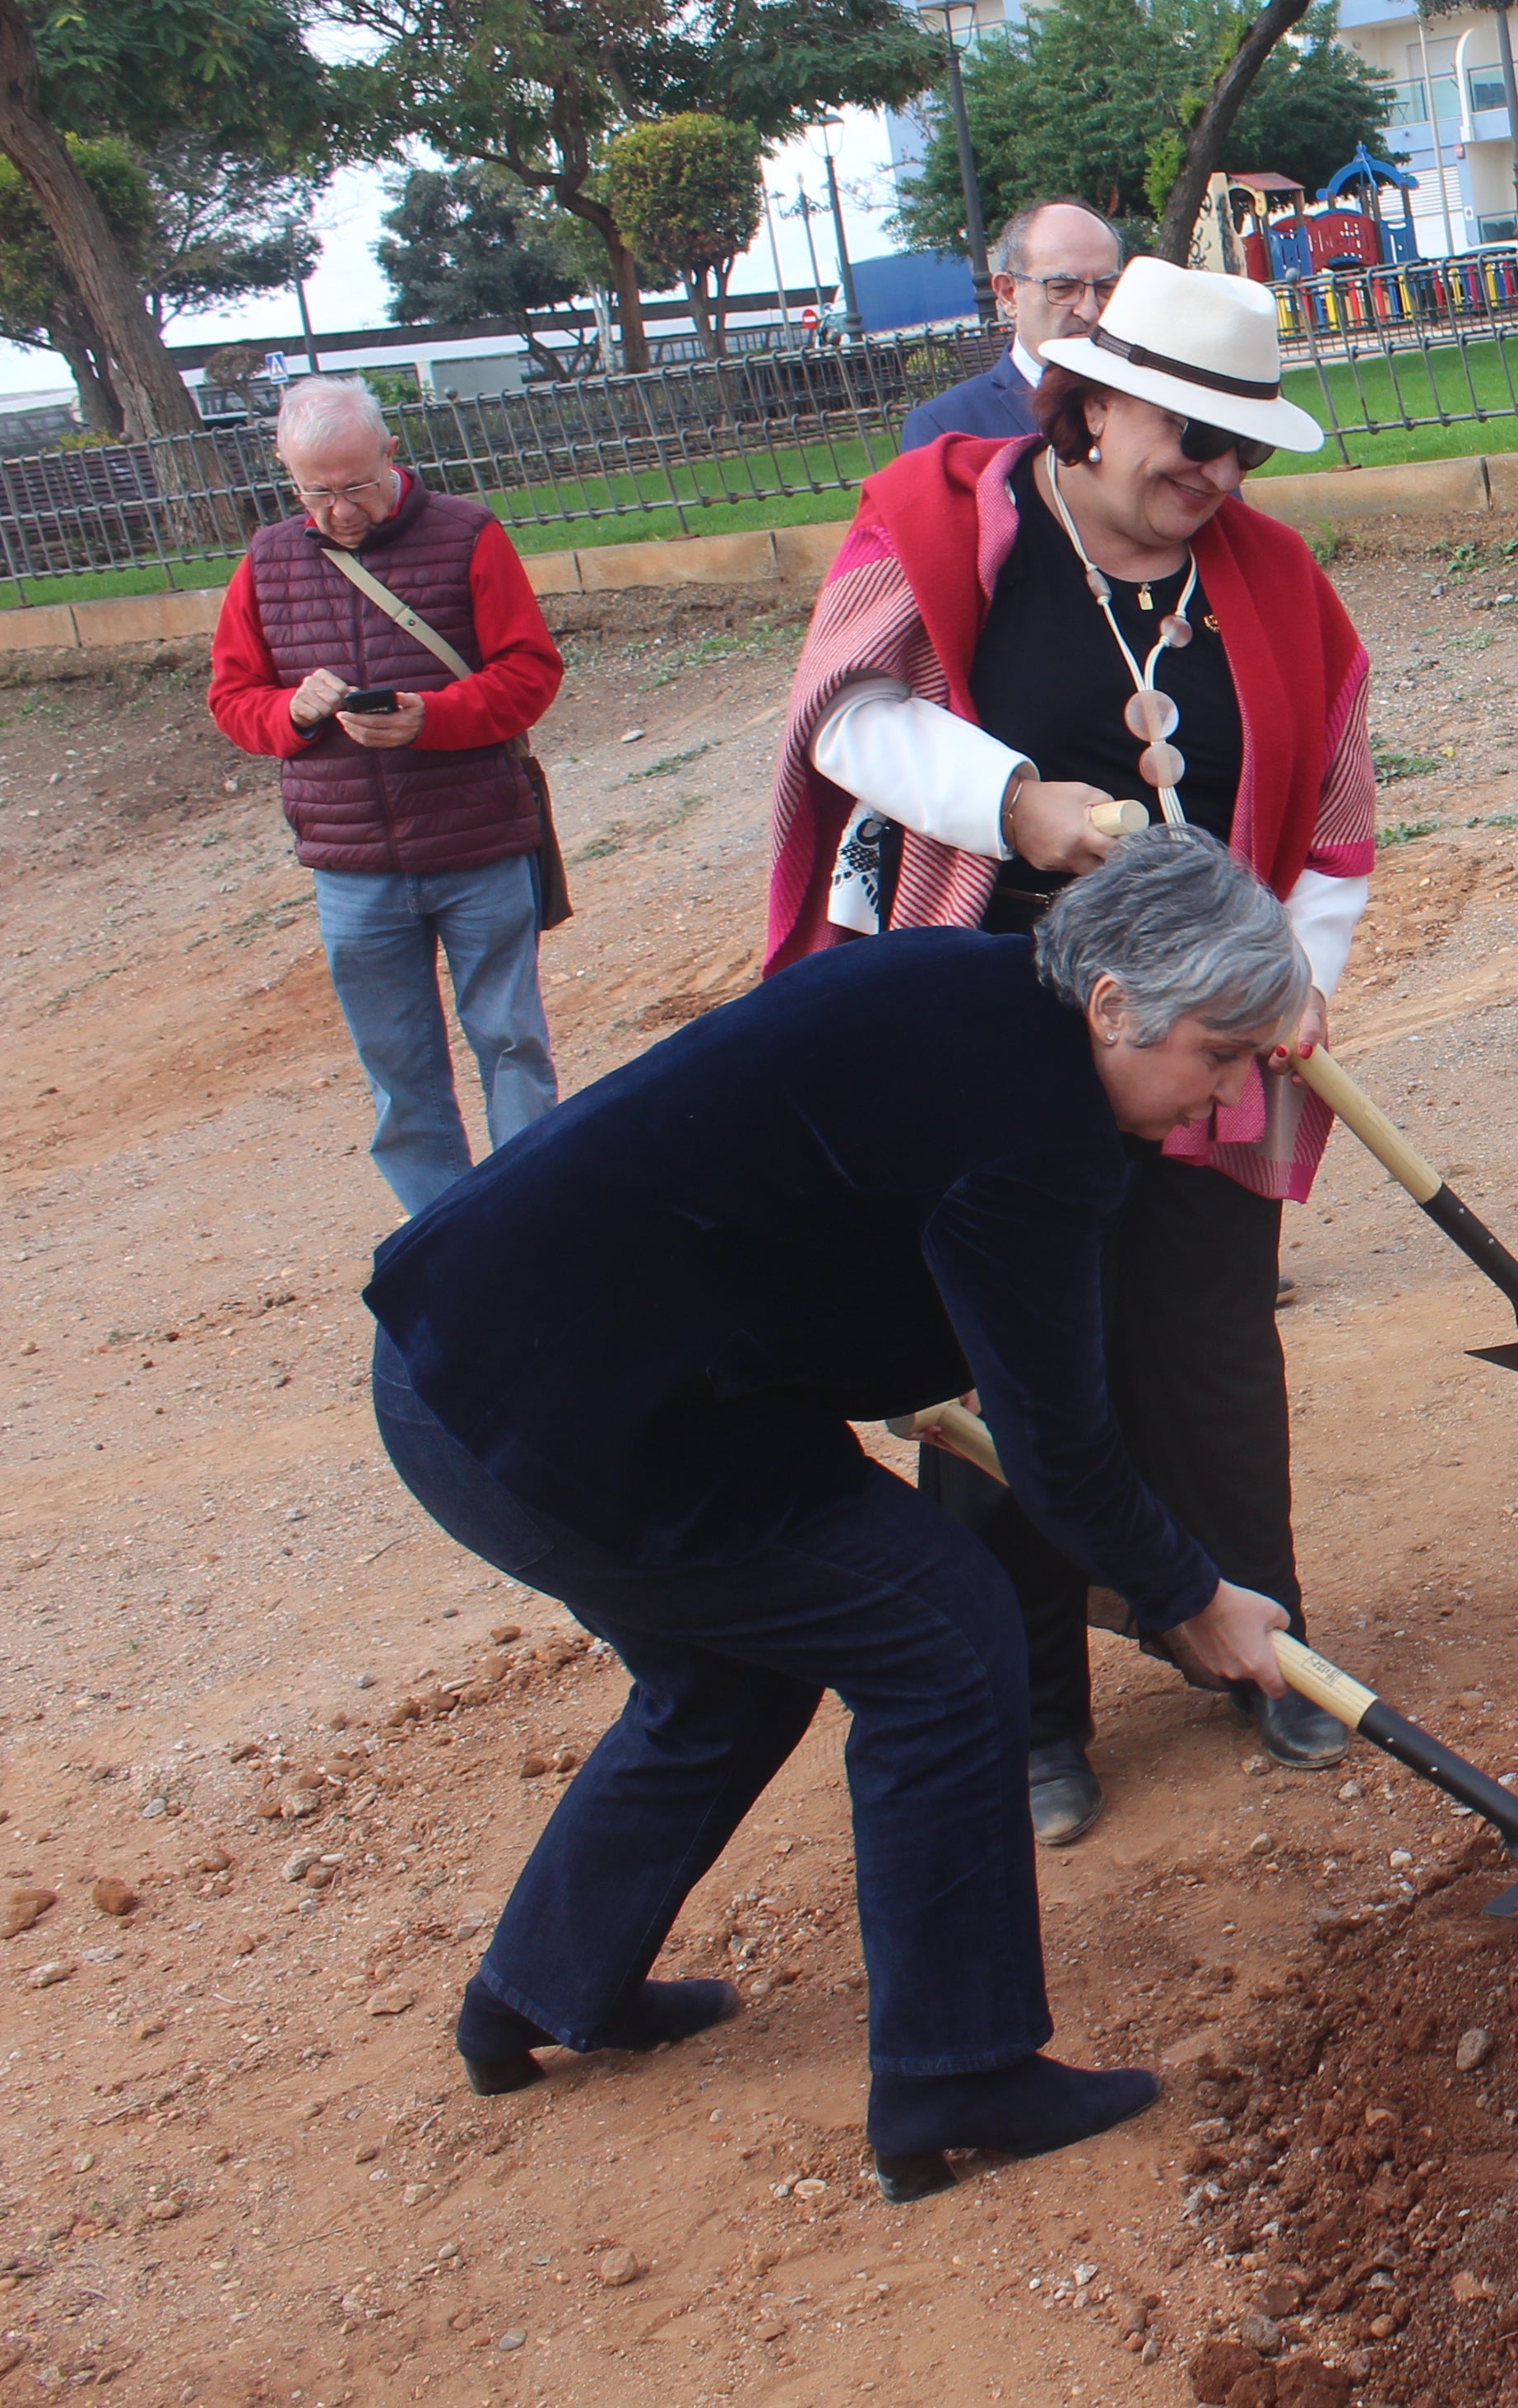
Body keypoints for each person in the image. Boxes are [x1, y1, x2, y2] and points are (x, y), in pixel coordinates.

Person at [364, 830, 1302, 2200]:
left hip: (463, 1361)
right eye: (1214, 1055)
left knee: (725, 1679)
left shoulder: (960, 985)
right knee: (944, 1635)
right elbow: (1061, 1453)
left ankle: (541, 1988)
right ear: (1110, 1002)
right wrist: (1192, 1598)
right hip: (567, 1418)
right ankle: (954, 2073)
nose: (1221, 1095)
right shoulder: (1034, 1133)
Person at [767, 256, 1376, 1843]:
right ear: (1089, 402)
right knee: (1004, 1370)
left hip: (1202, 1037)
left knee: (1212, 1343)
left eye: (1238, 448)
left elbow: (1330, 808)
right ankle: (1032, 1714)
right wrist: (1016, 803)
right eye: (1186, 434)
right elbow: (843, 714)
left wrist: (1289, 984)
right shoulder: (941, 523)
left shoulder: (1274, 579)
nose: (1213, 473)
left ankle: (1265, 1651)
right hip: (1000, 1022)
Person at [204, 375, 566, 1213]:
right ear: (286, 474)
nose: (341, 510)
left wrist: (429, 719)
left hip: (479, 842)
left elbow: (532, 673)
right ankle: (444, 1235)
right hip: (352, 864)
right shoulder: (264, 561)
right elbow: (232, 699)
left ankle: (533, 1214)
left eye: (357, 485)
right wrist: (291, 712)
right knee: (398, 1069)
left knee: (512, 1043)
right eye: (318, 492)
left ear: (391, 454)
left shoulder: (469, 535)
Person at [896, 202, 1128, 457]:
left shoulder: (1149, 400)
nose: (1090, 311)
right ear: (1008, 294)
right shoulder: (945, 428)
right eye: (1062, 288)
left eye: (1106, 288)